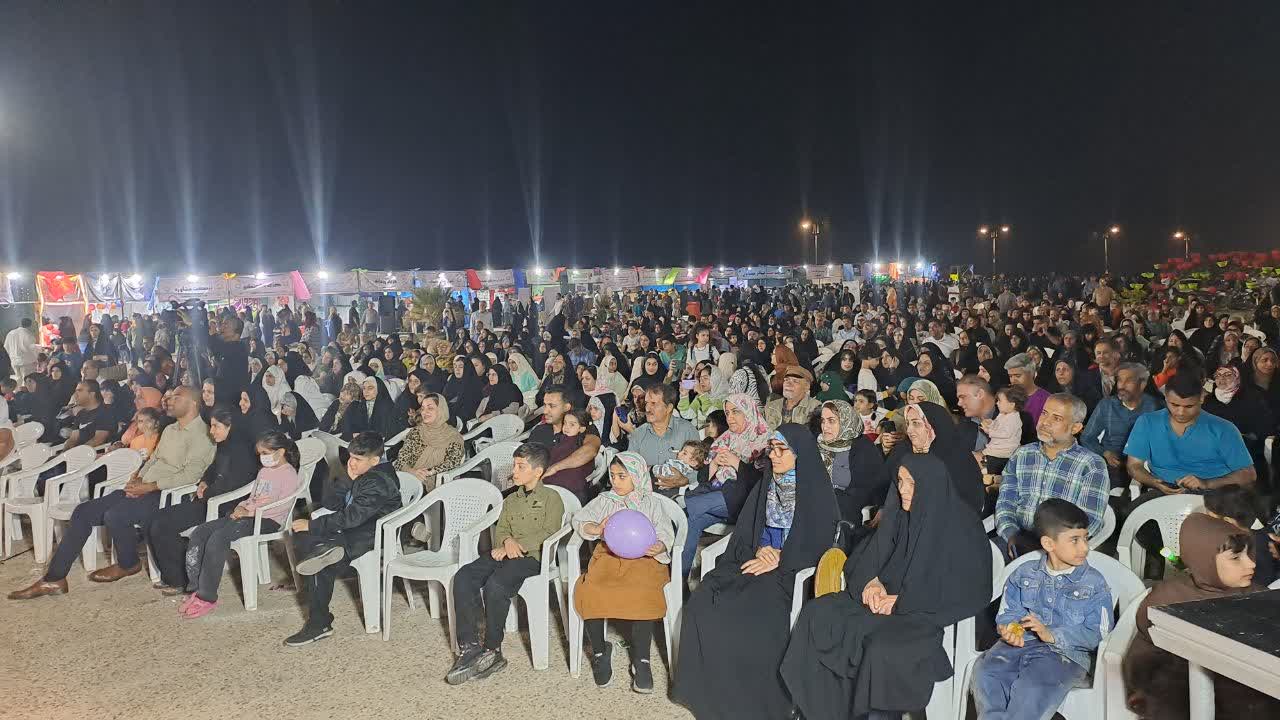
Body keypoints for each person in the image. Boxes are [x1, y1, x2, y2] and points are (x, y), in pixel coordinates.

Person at [781, 450, 991, 719]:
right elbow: (870, 555)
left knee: (881, 650)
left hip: (922, 614)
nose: (903, 490)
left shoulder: (962, 525)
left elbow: (969, 590)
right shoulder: (899, 514)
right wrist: (872, 582)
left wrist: (902, 602)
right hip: (880, 604)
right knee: (817, 613)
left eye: (912, 483)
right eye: (900, 481)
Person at [675, 426, 838, 719]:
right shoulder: (766, 483)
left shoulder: (816, 491)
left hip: (791, 570)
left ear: (800, 454)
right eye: (771, 449)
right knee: (706, 597)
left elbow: (821, 542)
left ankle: (751, 702)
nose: (773, 456)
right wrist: (760, 548)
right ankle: (708, 691)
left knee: (754, 615)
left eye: (781, 450)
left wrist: (782, 556)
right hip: (755, 558)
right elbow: (747, 531)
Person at [9, 386, 215, 599]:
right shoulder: (170, 429)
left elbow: (190, 476)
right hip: (144, 487)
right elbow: (154, 459)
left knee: (115, 515)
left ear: (193, 403)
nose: (169, 399)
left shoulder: (203, 435)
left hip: (167, 495)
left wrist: (150, 486)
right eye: (170, 396)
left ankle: (128, 563)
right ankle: (54, 579)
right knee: (83, 512)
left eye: (177, 397)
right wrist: (137, 478)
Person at [1123, 512, 1279, 719]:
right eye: (1236, 558)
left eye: (1249, 555)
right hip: (1178, 685)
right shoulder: (1169, 599)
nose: (1251, 564)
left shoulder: (1253, 594)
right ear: (1205, 561)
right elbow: (1150, 658)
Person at [973, 499, 1114, 720]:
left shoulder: (1094, 584)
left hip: (1066, 655)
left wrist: (1052, 635)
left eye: (1085, 538)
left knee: (1032, 686)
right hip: (1022, 645)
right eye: (1075, 540)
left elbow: (1101, 634)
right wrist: (1010, 629)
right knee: (987, 672)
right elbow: (1010, 612)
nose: (1085, 548)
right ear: (1048, 543)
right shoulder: (1024, 573)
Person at [446, 442, 565, 684]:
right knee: (464, 576)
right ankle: (469, 647)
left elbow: (550, 531)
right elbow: (501, 529)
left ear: (538, 471)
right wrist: (507, 541)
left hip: (533, 558)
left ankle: (493, 650)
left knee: (496, 585)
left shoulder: (552, 498)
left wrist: (516, 544)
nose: (514, 471)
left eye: (521, 466)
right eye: (514, 465)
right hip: (505, 551)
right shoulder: (511, 500)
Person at [572, 452, 677, 693]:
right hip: (610, 557)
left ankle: (642, 659)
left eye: (622, 476)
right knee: (591, 590)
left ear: (637, 476)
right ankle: (600, 651)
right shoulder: (604, 500)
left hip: (644, 559)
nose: (615, 481)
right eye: (612, 476)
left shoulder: (651, 502)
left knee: (643, 593)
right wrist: (596, 528)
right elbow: (579, 520)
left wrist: (660, 545)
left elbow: (665, 532)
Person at [286, 432, 401, 646]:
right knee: (309, 544)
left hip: (371, 535)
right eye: (350, 457)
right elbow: (331, 504)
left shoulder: (377, 481)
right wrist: (347, 478)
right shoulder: (362, 474)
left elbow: (352, 517)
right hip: (355, 530)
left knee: (316, 557)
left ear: (375, 461)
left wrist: (312, 525)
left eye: (358, 459)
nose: (352, 463)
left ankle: (319, 624)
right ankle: (324, 552)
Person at [178, 431, 302, 618]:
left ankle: (207, 597)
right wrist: (241, 507)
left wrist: (250, 513)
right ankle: (196, 587)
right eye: (260, 454)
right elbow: (254, 497)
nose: (262, 458)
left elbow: (282, 506)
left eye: (265, 453)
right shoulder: (264, 471)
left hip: (268, 521)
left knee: (218, 538)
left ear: (281, 451)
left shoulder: (289, 473)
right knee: (201, 532)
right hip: (248, 516)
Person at [147, 406, 258, 593]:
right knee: (154, 518)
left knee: (162, 525)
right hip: (209, 500)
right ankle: (179, 573)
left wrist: (206, 493)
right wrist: (204, 482)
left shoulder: (243, 451)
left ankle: (179, 579)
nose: (211, 431)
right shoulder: (225, 445)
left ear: (230, 426)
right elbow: (212, 469)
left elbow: (232, 485)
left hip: (224, 507)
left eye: (216, 426)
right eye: (211, 426)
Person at [996, 393, 1109, 558]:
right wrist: (1010, 533)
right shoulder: (1022, 454)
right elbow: (1005, 502)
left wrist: (1054, 546)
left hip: (1061, 548)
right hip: (1018, 538)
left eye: (1057, 418)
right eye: (1044, 413)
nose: (1045, 422)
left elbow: (1091, 519)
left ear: (1075, 428)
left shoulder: (1091, 464)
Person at [678, 392, 772, 576]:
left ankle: (678, 507)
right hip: (721, 498)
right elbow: (705, 480)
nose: (730, 417)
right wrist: (714, 463)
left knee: (686, 510)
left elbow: (763, 484)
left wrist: (736, 463)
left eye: (736, 411)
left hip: (746, 503)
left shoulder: (765, 440)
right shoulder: (725, 438)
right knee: (691, 521)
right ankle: (680, 578)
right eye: (727, 413)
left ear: (748, 412)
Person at [1079, 362, 1160, 496]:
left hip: (1145, 467)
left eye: (1128, 381)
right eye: (1120, 380)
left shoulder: (1156, 407)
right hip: (1113, 466)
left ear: (1142, 384)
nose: (1122, 386)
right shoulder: (1106, 405)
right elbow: (1087, 438)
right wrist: (1105, 453)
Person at [818, 399, 886, 522]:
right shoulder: (818, 443)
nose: (825, 426)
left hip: (846, 511)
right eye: (823, 421)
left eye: (831, 421)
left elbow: (865, 491)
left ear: (846, 421)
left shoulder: (862, 447)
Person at [627, 383, 701, 492]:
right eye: (647, 403)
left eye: (653, 403)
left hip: (681, 495)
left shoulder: (688, 430)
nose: (647, 408)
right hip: (646, 494)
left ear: (669, 408)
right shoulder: (638, 434)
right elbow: (629, 468)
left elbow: (701, 467)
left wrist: (685, 480)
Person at [393, 392, 465, 493]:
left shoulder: (452, 436)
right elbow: (402, 457)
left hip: (432, 483)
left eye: (430, 408)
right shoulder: (416, 432)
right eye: (422, 408)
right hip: (407, 476)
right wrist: (412, 471)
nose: (424, 412)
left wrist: (428, 472)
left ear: (441, 410)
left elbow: (453, 461)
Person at [980, 385, 1026, 475]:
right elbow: (997, 424)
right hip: (997, 446)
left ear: (1012, 405)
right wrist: (991, 423)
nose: (997, 403)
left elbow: (1005, 433)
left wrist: (989, 431)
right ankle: (989, 468)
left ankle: (992, 470)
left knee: (995, 460)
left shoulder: (1014, 419)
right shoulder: (1002, 414)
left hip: (1005, 451)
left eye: (1000, 401)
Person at [764, 365, 821, 430]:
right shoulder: (771, 406)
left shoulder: (815, 407)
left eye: (795, 381)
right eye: (786, 380)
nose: (788, 384)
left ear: (807, 386)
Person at [1005, 352, 1050, 422]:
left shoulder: (1046, 399)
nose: (1013, 380)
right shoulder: (1007, 396)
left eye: (1018, 376)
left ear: (1031, 374)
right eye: (1010, 376)